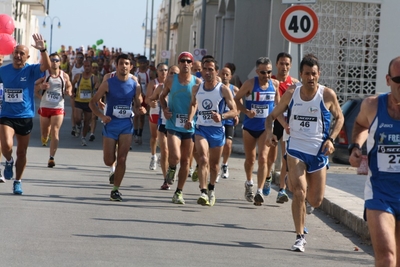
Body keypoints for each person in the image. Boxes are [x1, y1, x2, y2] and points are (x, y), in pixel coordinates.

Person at [265, 55, 344, 252]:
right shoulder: (292, 93)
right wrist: (270, 133)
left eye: (314, 74)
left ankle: (303, 197)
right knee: (299, 191)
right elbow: (272, 116)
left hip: (318, 151)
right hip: (296, 148)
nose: (311, 77)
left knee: (315, 200)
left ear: (319, 74)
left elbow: (340, 118)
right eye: (307, 74)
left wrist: (331, 139)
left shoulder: (327, 95)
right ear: (300, 74)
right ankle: (300, 237)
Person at [349, 56, 400, 266]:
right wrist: (356, 148)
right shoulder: (372, 105)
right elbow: (360, 125)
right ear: (388, 80)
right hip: (380, 193)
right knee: (387, 258)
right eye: (399, 79)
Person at [89, 53, 145, 201]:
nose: (124, 66)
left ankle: (116, 190)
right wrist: (101, 116)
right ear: (117, 66)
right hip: (111, 124)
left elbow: (139, 104)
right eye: (121, 63)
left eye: (127, 63)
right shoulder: (108, 83)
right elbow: (92, 102)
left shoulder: (135, 85)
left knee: (122, 158)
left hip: (126, 125)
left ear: (131, 67)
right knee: (109, 160)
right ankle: (111, 168)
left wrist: (141, 109)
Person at [0, 34, 50, 193]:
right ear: (12, 54)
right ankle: (8, 161)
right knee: (7, 145)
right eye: (16, 52)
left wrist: (42, 49)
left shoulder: (31, 70)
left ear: (27, 57)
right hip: (6, 115)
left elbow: (46, 66)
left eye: (22, 53)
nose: (18, 56)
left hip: (25, 116)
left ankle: (18, 181)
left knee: (22, 152)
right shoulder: (4, 70)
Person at [187, 58, 237, 206]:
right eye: (205, 69)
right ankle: (203, 192)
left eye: (211, 69)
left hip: (217, 130)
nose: (207, 72)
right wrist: (190, 118)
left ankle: (211, 188)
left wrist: (222, 116)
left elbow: (234, 111)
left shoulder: (223, 89)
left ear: (216, 71)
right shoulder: (197, 88)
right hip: (201, 128)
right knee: (202, 158)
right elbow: (193, 104)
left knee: (214, 165)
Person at [234, 57, 280, 206]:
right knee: (250, 159)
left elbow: (278, 105)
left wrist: (281, 122)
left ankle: (259, 191)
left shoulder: (275, 84)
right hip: (249, 127)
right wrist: (246, 111)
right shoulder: (250, 84)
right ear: (257, 71)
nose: (266, 75)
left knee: (263, 159)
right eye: (263, 72)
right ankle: (249, 183)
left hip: (265, 128)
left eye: (269, 72)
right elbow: (236, 99)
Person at [159, 52, 202, 204]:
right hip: (173, 124)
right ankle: (171, 167)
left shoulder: (197, 82)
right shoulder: (171, 80)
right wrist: (164, 109)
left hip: (189, 126)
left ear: (192, 64)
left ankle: (179, 192)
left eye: (188, 61)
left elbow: (196, 103)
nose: (185, 63)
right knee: (175, 157)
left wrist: (190, 119)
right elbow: (162, 97)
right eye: (182, 61)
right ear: (178, 63)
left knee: (185, 162)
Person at [270, 52, 299, 203]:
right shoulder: (271, 81)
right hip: (274, 120)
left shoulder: (294, 83)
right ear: (276, 64)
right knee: (270, 157)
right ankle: (267, 178)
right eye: (281, 63)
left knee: (285, 158)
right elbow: (276, 105)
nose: (284, 67)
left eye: (287, 64)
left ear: (291, 66)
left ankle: (281, 189)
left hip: (287, 123)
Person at [34, 53, 72, 167]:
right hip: (45, 106)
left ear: (60, 62)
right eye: (52, 60)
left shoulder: (64, 76)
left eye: (56, 60)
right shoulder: (45, 75)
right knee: (45, 131)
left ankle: (51, 158)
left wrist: (69, 91)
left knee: (55, 131)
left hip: (58, 107)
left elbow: (69, 85)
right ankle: (45, 136)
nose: (54, 62)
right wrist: (41, 87)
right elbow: (35, 85)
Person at [148, 65, 180, 190]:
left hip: (179, 124)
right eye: (171, 73)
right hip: (163, 122)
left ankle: (172, 168)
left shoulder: (185, 88)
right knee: (165, 150)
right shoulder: (161, 87)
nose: (172, 75)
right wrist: (152, 102)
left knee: (177, 154)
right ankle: (166, 179)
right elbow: (151, 99)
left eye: (175, 73)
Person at [217, 66, 240, 180]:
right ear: (219, 74)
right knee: (218, 144)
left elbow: (239, 103)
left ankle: (225, 164)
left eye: (227, 74)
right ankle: (215, 166)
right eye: (223, 74)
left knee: (228, 143)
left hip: (229, 119)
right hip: (218, 119)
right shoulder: (216, 88)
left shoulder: (234, 89)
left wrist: (237, 114)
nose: (225, 76)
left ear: (231, 76)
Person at [71, 60, 100, 146]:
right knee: (77, 118)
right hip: (79, 101)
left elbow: (97, 88)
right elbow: (72, 84)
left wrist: (96, 90)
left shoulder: (94, 78)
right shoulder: (78, 76)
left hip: (89, 103)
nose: (87, 68)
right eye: (85, 66)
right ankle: (79, 126)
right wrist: (72, 92)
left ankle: (83, 137)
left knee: (87, 122)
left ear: (91, 67)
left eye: (88, 66)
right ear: (83, 66)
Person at [145, 63, 168, 171]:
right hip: (155, 112)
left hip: (167, 113)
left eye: (165, 70)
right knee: (155, 137)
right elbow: (147, 99)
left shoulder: (171, 83)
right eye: (161, 70)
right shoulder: (153, 83)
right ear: (157, 72)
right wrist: (151, 103)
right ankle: (153, 156)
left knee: (167, 138)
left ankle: (163, 156)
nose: (163, 72)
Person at [134, 56, 155, 144]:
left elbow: (155, 83)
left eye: (144, 63)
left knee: (142, 116)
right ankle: (135, 133)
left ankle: (140, 134)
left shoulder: (149, 72)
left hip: (146, 97)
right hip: (137, 96)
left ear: (146, 63)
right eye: (140, 63)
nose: (142, 65)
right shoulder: (136, 72)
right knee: (136, 115)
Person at [69, 51, 84, 136]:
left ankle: (80, 124)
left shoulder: (84, 68)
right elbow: (70, 76)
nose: (79, 59)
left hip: (82, 90)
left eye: (81, 57)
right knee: (73, 109)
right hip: (74, 88)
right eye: (78, 57)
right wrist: (69, 88)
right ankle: (74, 127)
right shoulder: (72, 66)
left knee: (80, 110)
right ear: (76, 58)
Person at [88, 62, 104, 141]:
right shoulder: (88, 76)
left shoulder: (100, 76)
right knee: (88, 116)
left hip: (96, 97)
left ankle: (92, 133)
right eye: (93, 68)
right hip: (86, 98)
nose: (94, 69)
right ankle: (87, 125)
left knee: (94, 116)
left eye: (96, 68)